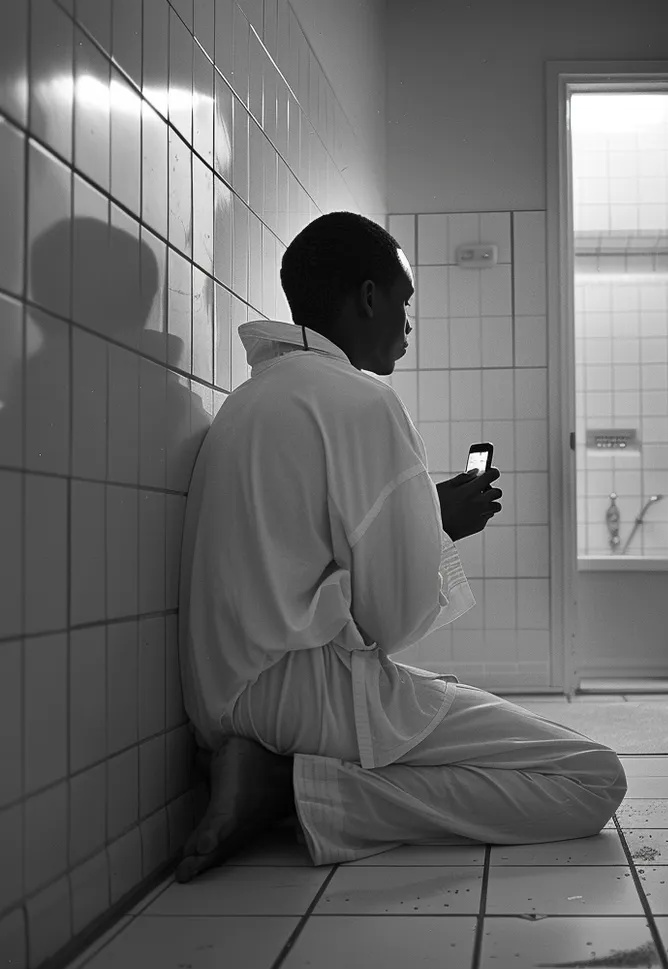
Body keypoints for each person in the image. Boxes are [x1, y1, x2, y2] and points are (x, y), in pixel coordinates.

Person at [175, 212, 627, 881]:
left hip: (218, 696)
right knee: (591, 777)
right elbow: (392, 623)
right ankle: (285, 789)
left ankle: (275, 775)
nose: (409, 322)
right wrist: (437, 527)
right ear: (368, 297)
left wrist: (421, 515)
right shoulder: (363, 400)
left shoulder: (249, 400)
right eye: (404, 301)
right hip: (300, 695)